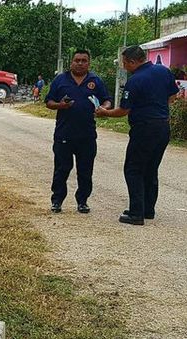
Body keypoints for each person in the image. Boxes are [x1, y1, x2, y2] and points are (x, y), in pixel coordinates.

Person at [95, 46, 180, 225]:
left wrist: (104, 113)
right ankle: (148, 209)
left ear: (133, 61)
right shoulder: (163, 72)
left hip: (144, 129)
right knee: (151, 169)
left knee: (133, 169)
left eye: (125, 63)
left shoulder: (135, 80)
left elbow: (123, 111)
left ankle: (135, 213)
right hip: (163, 127)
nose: (124, 67)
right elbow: (173, 96)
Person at [45, 50, 112, 214]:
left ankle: (82, 201)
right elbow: (48, 102)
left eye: (84, 60)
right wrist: (60, 105)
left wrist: (104, 108)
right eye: (77, 60)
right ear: (71, 62)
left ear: (89, 63)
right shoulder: (60, 80)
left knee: (85, 170)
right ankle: (57, 201)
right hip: (64, 134)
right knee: (62, 169)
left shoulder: (95, 81)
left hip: (87, 135)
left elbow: (107, 99)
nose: (80, 63)